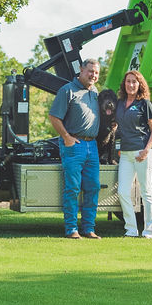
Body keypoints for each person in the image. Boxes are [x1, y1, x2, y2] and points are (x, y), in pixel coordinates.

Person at [48, 59, 102, 239]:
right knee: (72, 188)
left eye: (96, 72)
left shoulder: (95, 92)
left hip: (92, 146)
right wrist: (66, 137)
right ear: (81, 70)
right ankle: (71, 229)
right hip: (74, 145)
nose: (93, 75)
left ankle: (89, 228)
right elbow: (54, 116)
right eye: (90, 71)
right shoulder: (67, 90)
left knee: (93, 187)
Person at [115, 70, 152, 238]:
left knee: (146, 192)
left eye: (134, 82)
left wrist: (146, 150)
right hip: (125, 153)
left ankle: (148, 231)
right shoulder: (120, 103)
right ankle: (131, 230)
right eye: (128, 82)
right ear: (124, 84)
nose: (131, 85)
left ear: (140, 84)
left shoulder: (145, 104)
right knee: (123, 192)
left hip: (142, 152)